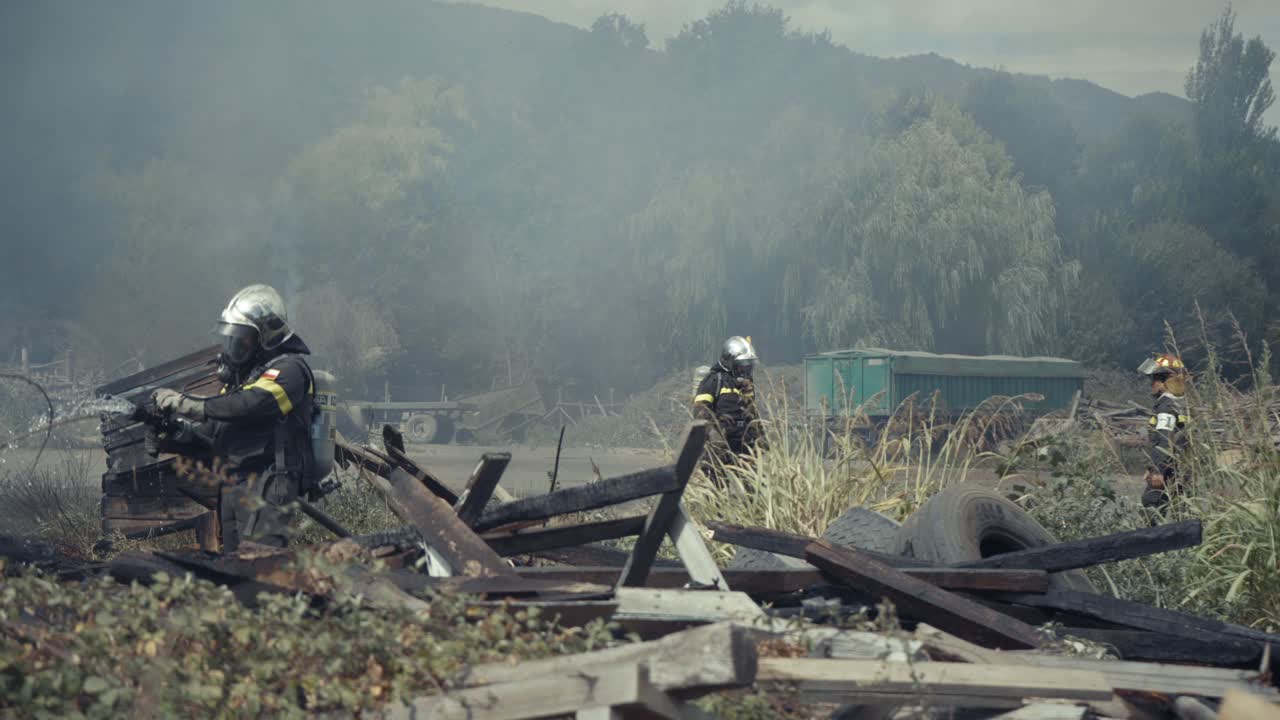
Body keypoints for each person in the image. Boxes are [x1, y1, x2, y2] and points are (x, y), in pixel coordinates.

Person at [148, 284, 317, 551]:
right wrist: (175, 432)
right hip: (234, 483)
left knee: (263, 565)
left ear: (266, 336)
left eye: (243, 337)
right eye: (231, 336)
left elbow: (252, 403)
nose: (234, 344)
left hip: (270, 482)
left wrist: (189, 405)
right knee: (232, 564)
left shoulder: (290, 371)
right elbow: (214, 433)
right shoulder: (244, 380)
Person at [693, 336, 761, 486]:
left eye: (748, 365)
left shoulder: (746, 386)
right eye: (742, 365)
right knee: (717, 492)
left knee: (753, 490)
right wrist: (716, 438)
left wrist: (760, 439)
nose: (746, 369)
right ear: (729, 362)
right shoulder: (713, 381)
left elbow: (752, 414)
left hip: (744, 448)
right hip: (719, 450)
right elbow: (701, 414)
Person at [1137, 352, 1189, 522]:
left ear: (1167, 381)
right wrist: (1151, 468)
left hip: (1168, 471)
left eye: (1156, 379)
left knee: (1151, 507)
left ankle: (1152, 547)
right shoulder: (1181, 404)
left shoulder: (1166, 407)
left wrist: (1158, 472)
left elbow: (1164, 440)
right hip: (1181, 469)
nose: (1152, 384)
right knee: (1180, 512)